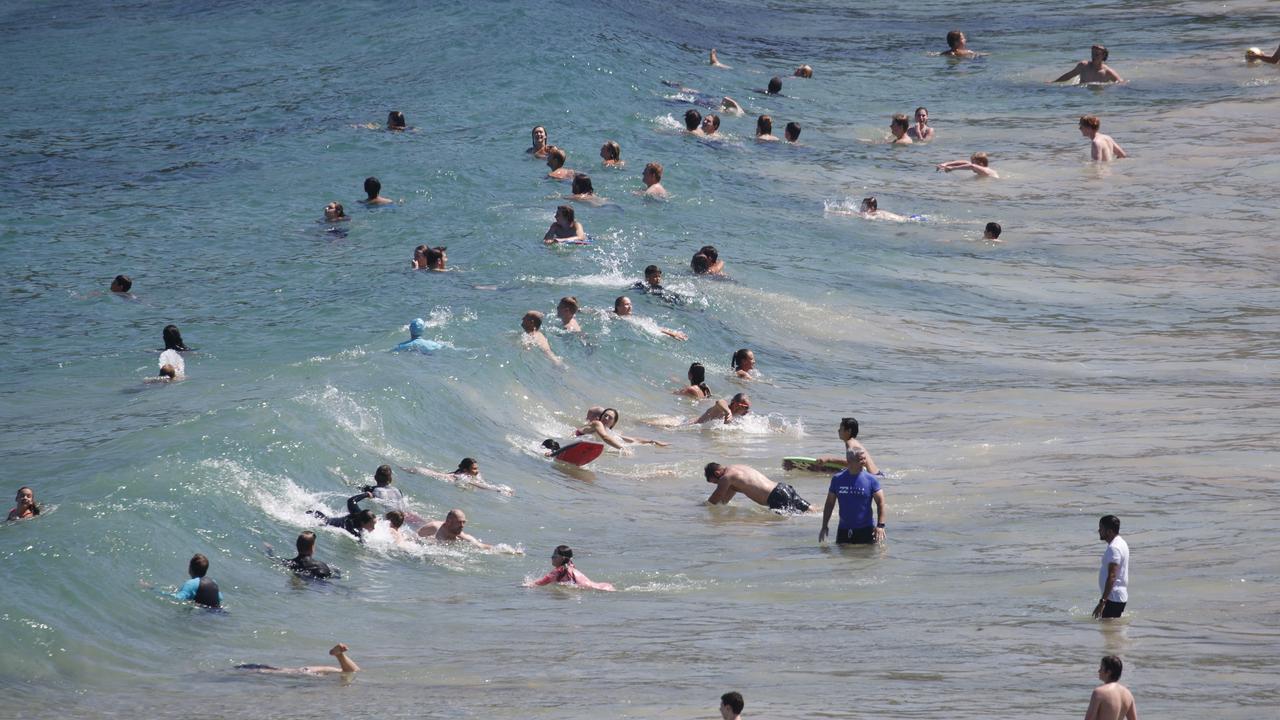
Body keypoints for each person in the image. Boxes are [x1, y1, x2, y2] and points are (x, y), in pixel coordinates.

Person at [818, 433, 887, 546]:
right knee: (843, 562)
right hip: (844, 531)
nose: (864, 462)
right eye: (861, 460)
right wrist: (824, 526)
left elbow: (881, 502)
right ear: (850, 461)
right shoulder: (837, 479)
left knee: (868, 561)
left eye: (865, 459)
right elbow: (830, 504)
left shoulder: (871, 479)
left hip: (866, 530)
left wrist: (880, 526)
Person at [704, 463, 811, 513]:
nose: (718, 485)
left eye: (715, 482)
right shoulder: (736, 468)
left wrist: (702, 508)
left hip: (776, 498)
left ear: (717, 473)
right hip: (783, 488)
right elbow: (724, 499)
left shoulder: (726, 478)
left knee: (789, 523)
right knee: (810, 511)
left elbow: (715, 498)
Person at [529, 545, 616, 591]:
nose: (551, 557)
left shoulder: (557, 572)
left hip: (599, 590)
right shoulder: (570, 566)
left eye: (554, 555)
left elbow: (536, 584)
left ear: (562, 558)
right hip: (604, 586)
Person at [237, 643, 361, 675]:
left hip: (307, 671)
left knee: (272, 671)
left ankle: (340, 655)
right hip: (309, 671)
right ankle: (339, 655)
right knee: (352, 672)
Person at [1093, 514, 1130, 619]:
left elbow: (1112, 576)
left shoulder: (1114, 548)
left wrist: (1102, 602)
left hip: (1113, 598)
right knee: (1113, 633)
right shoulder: (1121, 542)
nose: (1099, 531)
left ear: (1109, 531)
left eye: (1101, 528)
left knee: (1108, 633)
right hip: (1116, 598)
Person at [1084, 656, 1139, 720]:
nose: (1098, 671)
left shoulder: (1099, 693)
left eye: (1101, 668)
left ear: (1108, 672)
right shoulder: (1128, 694)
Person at [310, 492, 378, 540]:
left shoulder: (359, 514)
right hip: (322, 522)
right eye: (371, 525)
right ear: (363, 523)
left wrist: (366, 494)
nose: (374, 528)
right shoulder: (351, 527)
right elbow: (359, 541)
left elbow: (351, 501)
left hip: (324, 517)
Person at [613, 296, 687, 340]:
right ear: (618, 307)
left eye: (630, 304)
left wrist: (672, 334)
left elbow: (653, 328)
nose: (630, 307)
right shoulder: (616, 316)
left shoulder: (630, 318)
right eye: (626, 304)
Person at [417, 509, 492, 548]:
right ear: (449, 522)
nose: (462, 526)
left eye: (464, 522)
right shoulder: (433, 528)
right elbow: (415, 537)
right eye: (459, 522)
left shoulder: (460, 535)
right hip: (417, 523)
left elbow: (480, 545)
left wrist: (500, 550)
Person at [1055, 44, 1124, 84]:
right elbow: (1068, 76)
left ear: (1103, 56)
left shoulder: (1108, 72)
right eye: (1092, 54)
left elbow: (1122, 83)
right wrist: (1053, 82)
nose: (1093, 56)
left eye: (1096, 54)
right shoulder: (1083, 66)